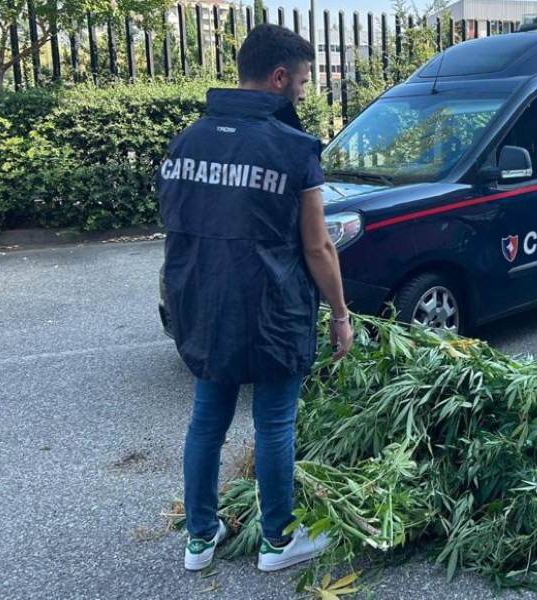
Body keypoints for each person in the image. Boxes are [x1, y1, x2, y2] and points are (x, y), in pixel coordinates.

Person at [156, 23, 354, 573]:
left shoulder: (186, 142)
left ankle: (199, 538)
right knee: (272, 424)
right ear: (278, 76)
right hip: (272, 309)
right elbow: (317, 248)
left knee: (207, 421)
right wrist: (340, 315)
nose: (303, 92)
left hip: (204, 306)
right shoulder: (293, 149)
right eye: (302, 82)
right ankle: (279, 540)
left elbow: (178, 228)